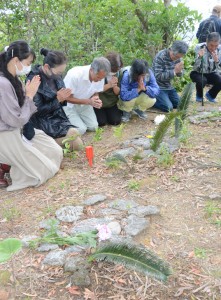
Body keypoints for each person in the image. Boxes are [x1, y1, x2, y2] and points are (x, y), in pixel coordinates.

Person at [0, 40, 63, 191]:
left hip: (21, 130)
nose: (29, 67)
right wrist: (29, 96)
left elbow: (23, 112)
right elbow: (15, 120)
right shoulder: (2, 83)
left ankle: (19, 167)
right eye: (28, 63)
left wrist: (28, 95)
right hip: (6, 133)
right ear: (16, 60)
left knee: (55, 152)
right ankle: (15, 170)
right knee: (45, 170)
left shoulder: (13, 78)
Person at [25, 48, 83, 151]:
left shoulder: (56, 75)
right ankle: (45, 146)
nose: (59, 75)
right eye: (58, 73)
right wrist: (58, 99)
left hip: (57, 117)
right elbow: (36, 111)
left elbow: (60, 101)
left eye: (61, 73)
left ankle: (53, 145)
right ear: (47, 67)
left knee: (76, 133)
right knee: (77, 142)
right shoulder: (34, 80)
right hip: (42, 122)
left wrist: (64, 97)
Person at [63, 57, 111, 134]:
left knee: (94, 127)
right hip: (69, 106)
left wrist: (96, 99)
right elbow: (66, 98)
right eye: (98, 77)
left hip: (85, 104)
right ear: (91, 70)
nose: (99, 80)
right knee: (81, 130)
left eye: (102, 78)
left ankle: (76, 121)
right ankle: (64, 121)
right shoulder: (75, 75)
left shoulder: (100, 76)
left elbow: (96, 91)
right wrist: (89, 102)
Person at [152, 40, 188, 112]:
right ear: (171, 49)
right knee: (168, 108)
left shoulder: (178, 58)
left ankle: (164, 99)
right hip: (158, 87)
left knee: (180, 105)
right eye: (176, 56)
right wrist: (174, 71)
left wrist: (180, 71)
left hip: (168, 87)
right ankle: (152, 101)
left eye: (179, 57)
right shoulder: (160, 56)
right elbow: (158, 76)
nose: (177, 59)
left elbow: (179, 74)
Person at [190, 32, 221, 103]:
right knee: (202, 80)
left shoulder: (219, 49)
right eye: (211, 45)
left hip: (211, 73)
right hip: (197, 73)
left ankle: (210, 95)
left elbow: (218, 70)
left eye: (216, 45)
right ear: (207, 41)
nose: (213, 48)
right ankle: (199, 96)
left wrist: (216, 61)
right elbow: (194, 67)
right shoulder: (199, 47)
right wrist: (199, 57)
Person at [94, 51, 123, 126]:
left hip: (111, 103)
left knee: (115, 121)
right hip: (100, 102)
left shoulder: (119, 73)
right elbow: (94, 90)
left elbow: (117, 92)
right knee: (101, 122)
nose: (113, 72)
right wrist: (109, 85)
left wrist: (115, 85)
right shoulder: (99, 72)